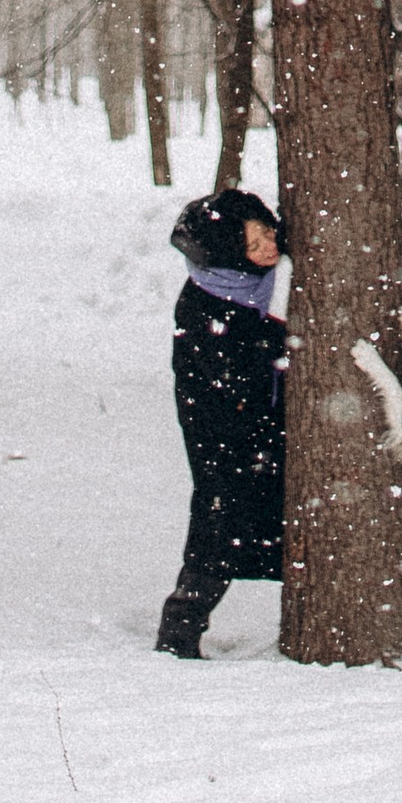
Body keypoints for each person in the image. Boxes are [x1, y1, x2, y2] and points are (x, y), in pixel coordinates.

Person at [156, 188, 286, 657]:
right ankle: (179, 632)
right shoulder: (206, 301)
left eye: (269, 234)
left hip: (261, 429)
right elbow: (231, 373)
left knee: (272, 515)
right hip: (223, 436)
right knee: (220, 526)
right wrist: (277, 347)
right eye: (254, 244)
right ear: (231, 251)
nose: (270, 248)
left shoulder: (252, 283)